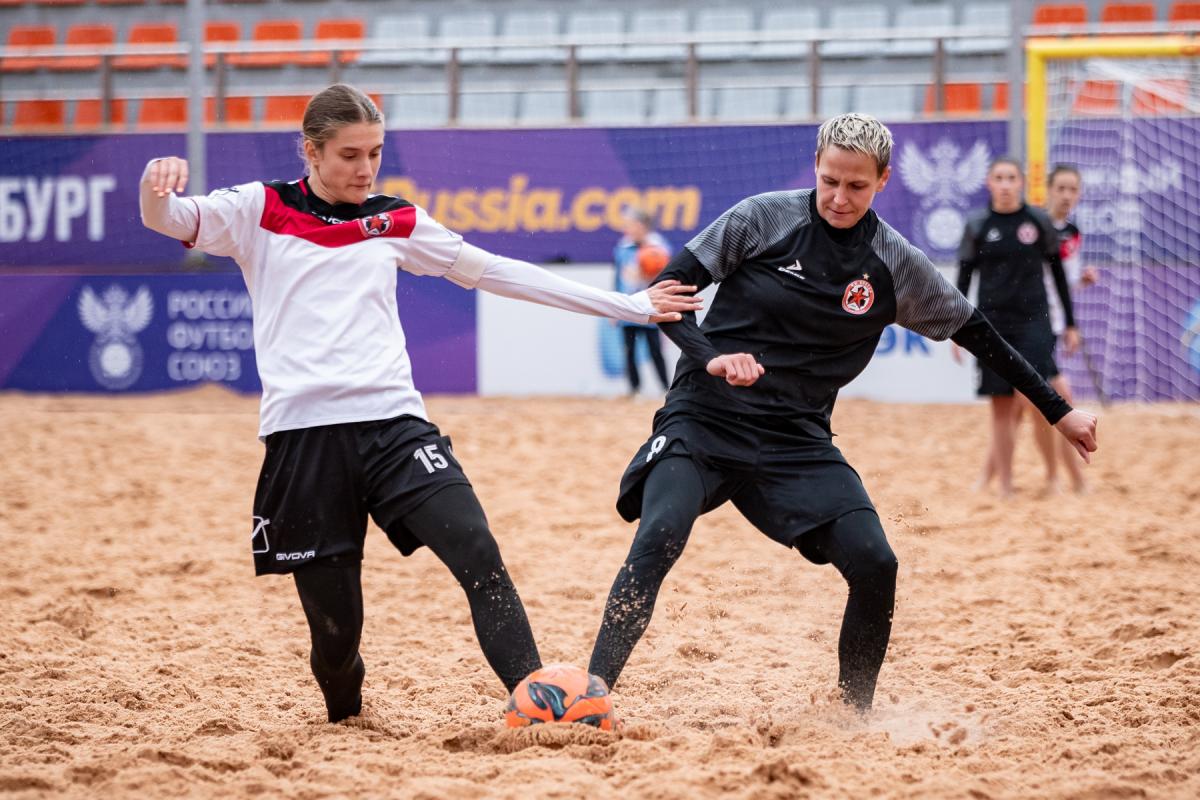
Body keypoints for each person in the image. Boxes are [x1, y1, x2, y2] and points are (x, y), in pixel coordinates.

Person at [138, 84, 702, 723]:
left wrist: (630, 305)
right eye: (350, 154)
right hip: (305, 439)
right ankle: (346, 719)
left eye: (375, 153)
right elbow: (170, 219)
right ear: (311, 152)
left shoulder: (396, 220)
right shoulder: (258, 209)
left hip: (395, 427)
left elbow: (496, 270)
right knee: (335, 641)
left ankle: (542, 707)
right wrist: (156, 187)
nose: (366, 168)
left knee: (478, 552)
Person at [585, 114, 1098, 713]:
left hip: (797, 439)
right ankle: (593, 693)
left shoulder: (895, 263)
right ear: (816, 166)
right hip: (705, 416)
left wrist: (1059, 412)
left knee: (877, 563)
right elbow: (670, 291)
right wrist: (712, 358)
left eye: (856, 186)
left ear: (882, 180)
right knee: (659, 534)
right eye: (829, 181)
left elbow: (979, 333)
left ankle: (854, 717)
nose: (839, 197)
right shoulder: (762, 217)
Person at [955, 157, 1080, 497]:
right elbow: (963, 279)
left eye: (1011, 178)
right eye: (999, 178)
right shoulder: (978, 224)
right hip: (991, 324)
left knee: (1038, 398)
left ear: (1021, 182)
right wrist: (956, 328)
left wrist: (1070, 323)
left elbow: (1058, 275)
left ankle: (1053, 478)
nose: (1006, 184)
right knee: (1001, 407)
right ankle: (1005, 487)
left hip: (1034, 322)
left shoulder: (1038, 221)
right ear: (989, 183)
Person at [1026, 164, 1098, 493]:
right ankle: (1066, 479)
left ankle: (1058, 478)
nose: (1067, 195)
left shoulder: (1073, 232)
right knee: (1055, 400)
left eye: (1073, 189)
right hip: (1031, 323)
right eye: (1061, 188)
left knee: (1033, 405)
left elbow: (1064, 284)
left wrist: (1081, 282)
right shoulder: (1033, 227)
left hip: (1053, 324)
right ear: (1049, 190)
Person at [613, 207, 673, 396]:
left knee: (655, 349)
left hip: (651, 305)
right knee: (629, 350)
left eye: (630, 224)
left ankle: (666, 388)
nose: (627, 229)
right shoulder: (623, 248)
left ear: (641, 225)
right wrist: (613, 308)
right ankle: (634, 389)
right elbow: (617, 278)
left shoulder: (659, 247)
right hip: (627, 305)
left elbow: (667, 276)